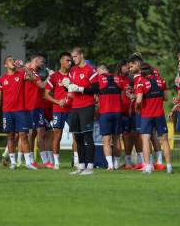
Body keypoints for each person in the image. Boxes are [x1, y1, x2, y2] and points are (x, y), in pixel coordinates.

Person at [0, 55, 38, 170]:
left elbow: (33, 78)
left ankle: (28, 163)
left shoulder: (21, 73)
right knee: (10, 136)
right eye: (10, 60)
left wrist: (24, 66)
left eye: (13, 60)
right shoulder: (1, 79)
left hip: (21, 111)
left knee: (23, 135)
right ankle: (13, 162)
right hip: (7, 112)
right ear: (5, 65)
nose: (12, 62)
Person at [65, 47, 98, 175]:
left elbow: (96, 89)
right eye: (72, 57)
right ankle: (81, 166)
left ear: (81, 55)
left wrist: (81, 89)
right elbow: (70, 88)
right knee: (77, 137)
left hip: (87, 106)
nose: (73, 60)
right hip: (75, 107)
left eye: (75, 57)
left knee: (87, 136)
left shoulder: (90, 70)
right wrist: (66, 84)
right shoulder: (73, 70)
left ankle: (90, 167)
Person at [128, 54, 164, 170]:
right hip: (157, 109)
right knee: (154, 135)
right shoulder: (154, 72)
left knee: (145, 136)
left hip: (146, 110)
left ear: (138, 64)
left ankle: (148, 163)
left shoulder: (140, 76)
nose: (130, 69)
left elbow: (142, 95)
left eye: (131, 66)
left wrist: (133, 97)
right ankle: (158, 162)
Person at [135, 62, 172, 174]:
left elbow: (139, 100)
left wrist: (137, 106)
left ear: (141, 71)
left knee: (145, 140)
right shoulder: (161, 81)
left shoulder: (141, 82)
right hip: (159, 114)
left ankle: (147, 167)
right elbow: (165, 98)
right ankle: (169, 167)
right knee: (164, 140)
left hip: (147, 115)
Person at [45, 52, 73, 170]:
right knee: (57, 135)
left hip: (72, 109)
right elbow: (46, 95)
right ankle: (56, 162)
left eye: (70, 60)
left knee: (76, 135)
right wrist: (57, 102)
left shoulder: (73, 75)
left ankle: (76, 161)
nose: (69, 62)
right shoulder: (54, 77)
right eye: (67, 60)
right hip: (58, 110)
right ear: (61, 61)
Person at [96, 63, 123, 170]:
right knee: (117, 139)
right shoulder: (117, 78)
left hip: (105, 112)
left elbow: (95, 96)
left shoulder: (99, 79)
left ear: (101, 70)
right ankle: (116, 163)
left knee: (106, 140)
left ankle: (110, 165)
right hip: (117, 112)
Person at [116, 60, 140, 169]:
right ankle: (127, 160)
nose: (127, 68)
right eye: (125, 66)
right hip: (123, 112)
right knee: (125, 136)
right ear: (120, 67)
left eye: (128, 66)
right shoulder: (117, 79)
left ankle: (140, 160)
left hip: (134, 110)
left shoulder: (132, 78)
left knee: (136, 135)